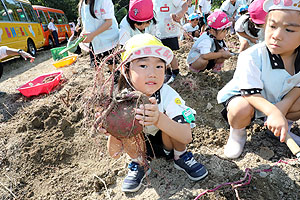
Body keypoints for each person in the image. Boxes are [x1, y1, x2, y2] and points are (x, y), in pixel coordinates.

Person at [97, 33, 208, 193]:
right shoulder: (119, 101)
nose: (152, 73)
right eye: (143, 66)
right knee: (128, 128)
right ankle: (139, 164)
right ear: (125, 70)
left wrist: (158, 119)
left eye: (159, 66)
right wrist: (114, 130)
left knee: (174, 121)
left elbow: (186, 136)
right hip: (141, 149)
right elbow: (114, 153)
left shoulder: (168, 95)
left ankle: (181, 156)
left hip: (168, 145)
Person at [217, 0, 300, 159]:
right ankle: (237, 134)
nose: (276, 35)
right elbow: (250, 93)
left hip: (277, 98)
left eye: (289, 29)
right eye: (272, 26)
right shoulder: (252, 56)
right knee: (240, 108)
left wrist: (281, 109)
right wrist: (273, 111)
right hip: (249, 99)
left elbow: (298, 86)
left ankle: (281, 129)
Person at [153, 0, 188, 83]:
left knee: (169, 53)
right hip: (157, 31)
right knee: (159, 53)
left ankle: (175, 71)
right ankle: (166, 71)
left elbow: (185, 5)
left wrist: (179, 14)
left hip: (169, 31)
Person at [78, 0, 119, 69]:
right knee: (97, 68)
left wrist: (92, 35)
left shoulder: (103, 1)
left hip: (109, 40)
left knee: (112, 67)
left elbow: (109, 22)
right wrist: (83, 34)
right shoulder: (82, 4)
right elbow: (86, 24)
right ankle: (101, 80)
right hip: (94, 42)